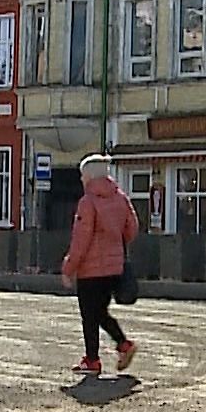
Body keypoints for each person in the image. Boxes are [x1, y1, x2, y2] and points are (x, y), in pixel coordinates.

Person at [60, 154, 138, 375]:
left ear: (89, 176)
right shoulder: (121, 198)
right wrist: (114, 246)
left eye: (83, 175)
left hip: (90, 270)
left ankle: (93, 360)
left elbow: (81, 240)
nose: (82, 179)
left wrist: (68, 268)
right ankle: (123, 345)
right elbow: (132, 228)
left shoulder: (88, 203)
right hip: (114, 268)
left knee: (90, 315)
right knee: (100, 312)